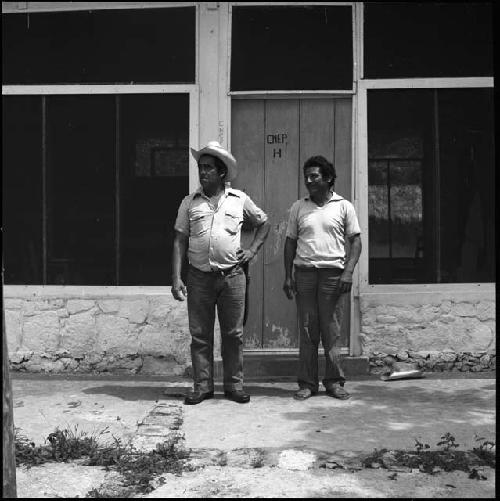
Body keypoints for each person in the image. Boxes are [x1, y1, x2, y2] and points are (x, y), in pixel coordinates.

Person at [172, 141, 270, 405]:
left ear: (222, 173)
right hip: (199, 277)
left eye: (208, 168)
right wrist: (176, 277)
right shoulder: (189, 203)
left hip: (232, 277)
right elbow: (179, 240)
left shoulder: (239, 200)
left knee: (233, 334)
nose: (203, 173)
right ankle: (202, 387)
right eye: (200, 167)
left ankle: (234, 386)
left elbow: (263, 223)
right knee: (200, 335)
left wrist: (252, 251)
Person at [283, 155, 362, 401]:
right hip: (305, 274)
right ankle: (307, 384)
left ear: (328, 178)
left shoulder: (343, 206)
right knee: (307, 331)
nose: (308, 181)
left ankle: (334, 382)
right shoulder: (299, 207)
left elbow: (356, 242)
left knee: (332, 331)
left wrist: (348, 272)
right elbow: (290, 243)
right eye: (306, 176)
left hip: (332, 276)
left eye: (314, 176)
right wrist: (288, 276)